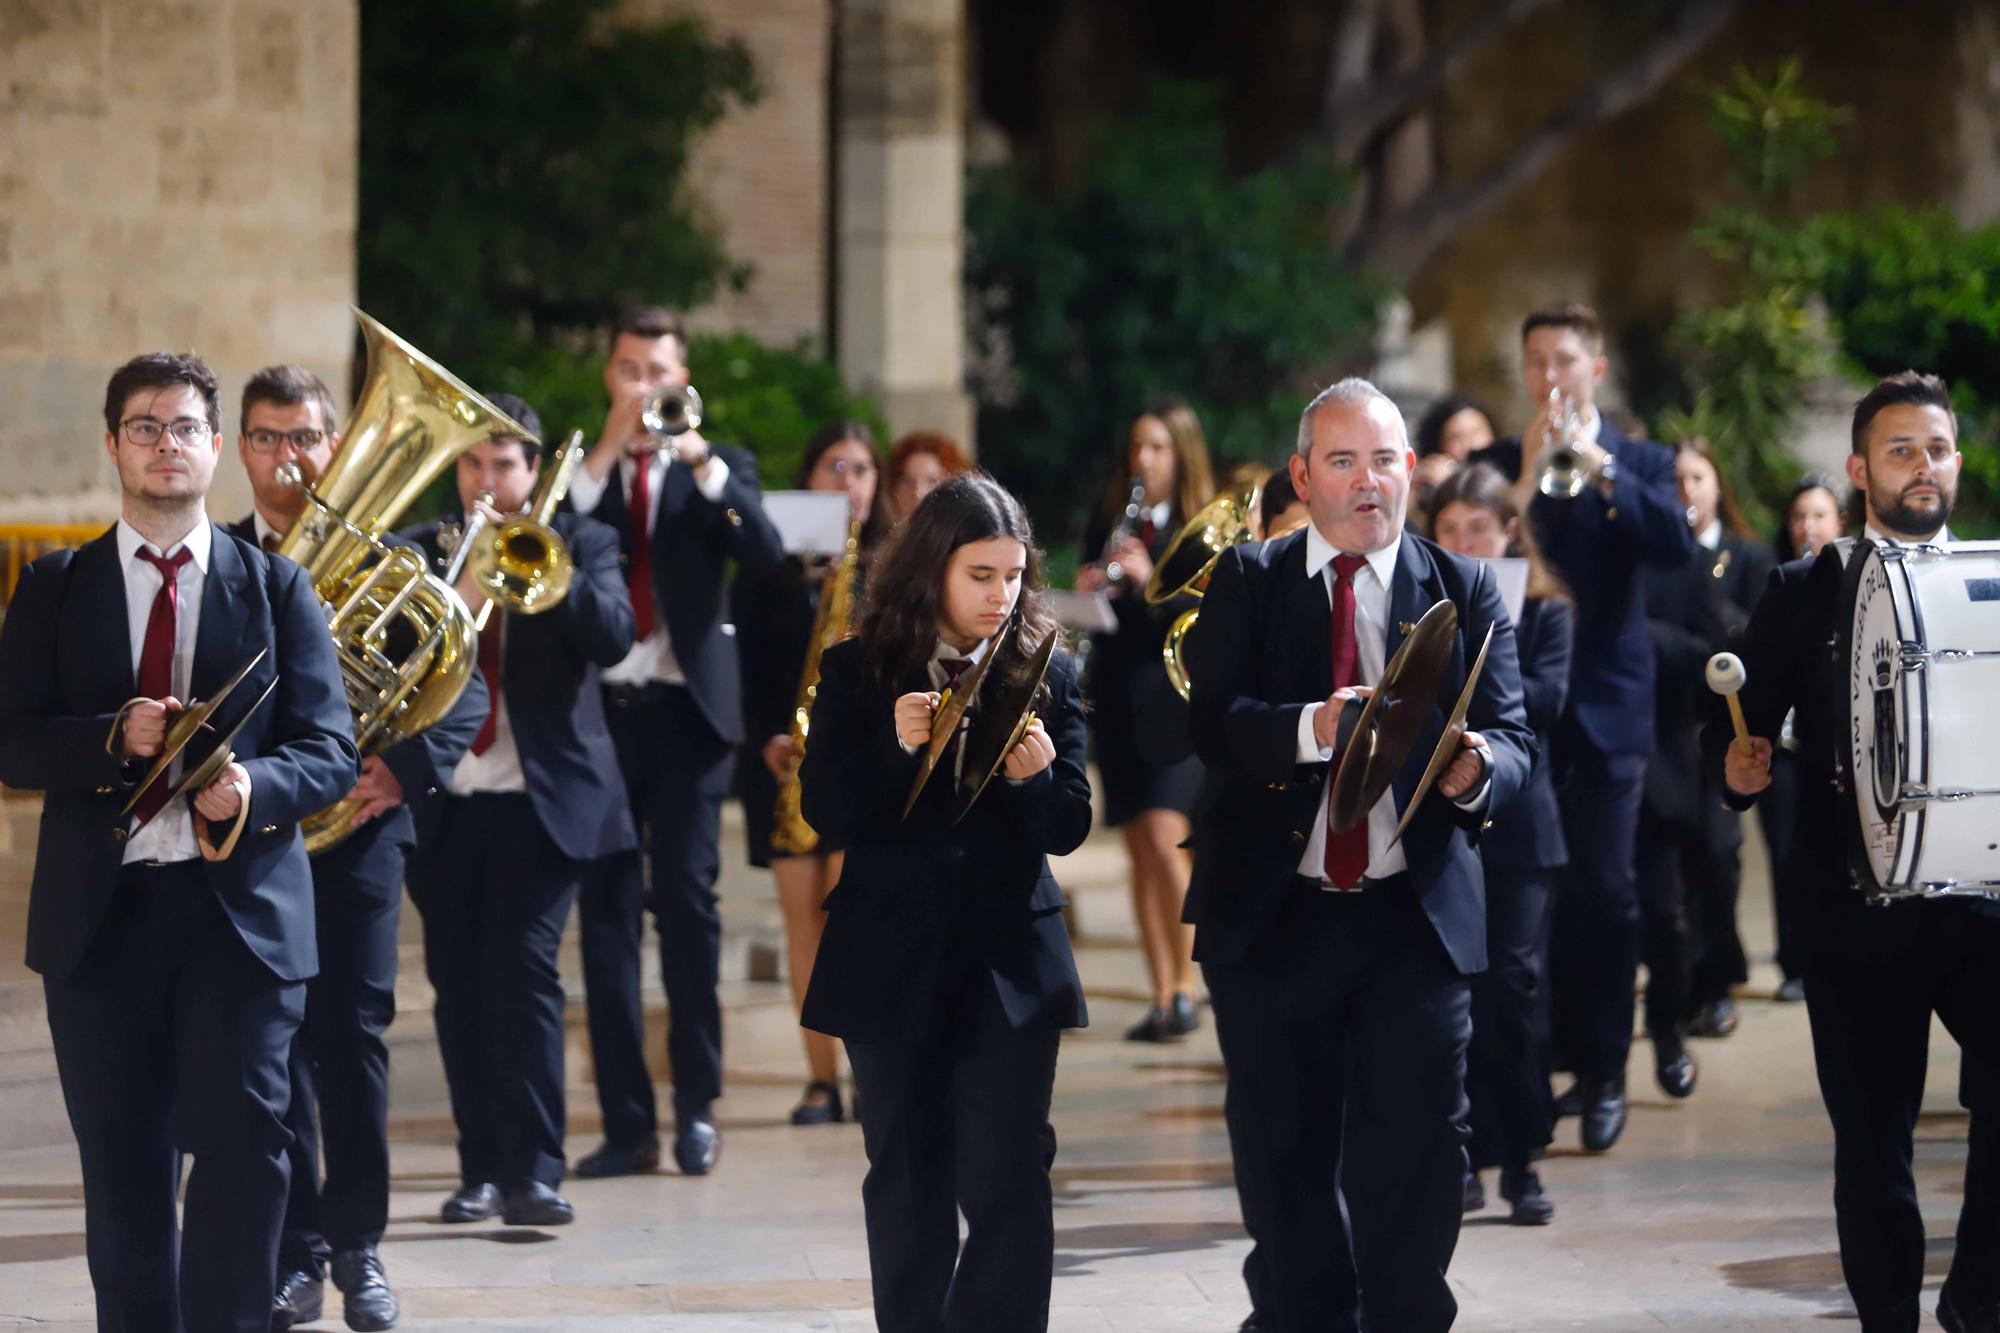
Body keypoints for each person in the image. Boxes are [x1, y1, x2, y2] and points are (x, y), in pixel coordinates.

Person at [0, 352, 358, 1330]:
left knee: (247, 1146)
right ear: (114, 443)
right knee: (122, 1165)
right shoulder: (54, 587)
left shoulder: (278, 587)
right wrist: (108, 737)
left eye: (186, 426)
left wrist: (250, 784)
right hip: (100, 920)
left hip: (237, 922)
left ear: (216, 448)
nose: (167, 443)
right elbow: (10, 739)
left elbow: (330, 749)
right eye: (146, 426)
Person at [1186, 378, 1533, 1332]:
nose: (1367, 481)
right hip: (1275, 917)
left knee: (1418, 1159)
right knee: (1282, 1160)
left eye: (1385, 459)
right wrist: (1310, 726)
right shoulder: (1251, 581)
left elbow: (1517, 739)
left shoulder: (1462, 587)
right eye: (1342, 460)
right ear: (1302, 476)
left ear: (1411, 470)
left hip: (1410, 923)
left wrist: (1480, 772)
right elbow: (1208, 726)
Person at [1709, 371, 2000, 1333]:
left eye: (1937, 448)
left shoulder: (1991, 580)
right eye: (1901, 450)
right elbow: (1742, 726)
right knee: (1873, 1145)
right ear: (1859, 468)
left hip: (1981, 906)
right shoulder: (1804, 589)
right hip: (1852, 905)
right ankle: (1888, 1322)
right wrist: (1739, 764)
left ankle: (1975, 1300)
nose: (1924, 466)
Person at [798, 473, 1092, 1333]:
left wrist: (1038, 780)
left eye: (1012, 575)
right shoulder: (858, 668)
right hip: (890, 956)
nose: (1001, 594)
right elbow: (825, 810)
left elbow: (1070, 824)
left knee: (1009, 1175)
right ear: (932, 571)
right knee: (905, 1173)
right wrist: (894, 747)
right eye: (980, 575)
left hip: (1010, 960)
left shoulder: (1050, 669)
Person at [226, 364, 486, 1331]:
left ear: (334, 446)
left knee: (354, 1043)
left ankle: (361, 1249)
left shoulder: (400, 559)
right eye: (267, 437)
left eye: (305, 438)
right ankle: (295, 1253)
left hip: (361, 837)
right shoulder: (215, 558)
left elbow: (467, 686)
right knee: (274, 1049)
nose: (288, 458)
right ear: (239, 449)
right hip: (256, 840)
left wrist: (402, 772)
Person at [400, 394, 637, 1229]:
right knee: (458, 984)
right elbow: (393, 654)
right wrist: (463, 584)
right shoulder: (420, 549)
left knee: (524, 970)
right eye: (473, 462)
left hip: (543, 800)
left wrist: (543, 572)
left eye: (503, 463)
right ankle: (482, 1171)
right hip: (446, 800)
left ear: (534, 472)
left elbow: (615, 635)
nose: (486, 479)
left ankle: (536, 1169)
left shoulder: (584, 541)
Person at [565, 305, 785, 1178]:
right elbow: (555, 540)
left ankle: (697, 1108)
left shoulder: (717, 465)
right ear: (610, 375)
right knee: (607, 917)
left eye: (657, 371)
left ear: (682, 380)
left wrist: (702, 462)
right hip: (602, 721)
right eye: (628, 369)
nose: (643, 385)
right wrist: (610, 447)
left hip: (691, 717)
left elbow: (765, 553)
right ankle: (626, 1124)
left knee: (689, 911)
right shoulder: (590, 470)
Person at [1472, 302, 1695, 1153]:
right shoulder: (1499, 461)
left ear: (1595, 368)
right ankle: (1547, 1069)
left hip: (1607, 701)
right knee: (1535, 897)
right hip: (1523, 700)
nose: (1549, 376)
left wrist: (1601, 466)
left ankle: (1608, 1070)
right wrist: (1525, 481)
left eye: (1564, 359)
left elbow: (1676, 544)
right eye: (1535, 361)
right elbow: (1479, 572)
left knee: (1607, 889)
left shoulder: (1641, 459)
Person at [733, 421, 891, 1124]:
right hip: (787, 763)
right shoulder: (770, 568)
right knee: (803, 925)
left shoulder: (894, 567)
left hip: (863, 766)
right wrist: (765, 733)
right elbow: (746, 662)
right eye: (834, 466)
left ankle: (868, 1072)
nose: (849, 481)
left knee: (851, 919)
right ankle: (820, 1080)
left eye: (861, 468)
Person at [1430, 463, 1573, 1227]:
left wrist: (1495, 644)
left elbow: (1546, 702)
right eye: (1448, 531)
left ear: (1507, 532)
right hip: (1446, 825)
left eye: (1477, 530)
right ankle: (1461, 1158)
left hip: (1520, 828)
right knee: (1453, 994)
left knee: (1513, 994)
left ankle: (1523, 1158)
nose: (1462, 544)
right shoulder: (1421, 607)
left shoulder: (1544, 609)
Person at [1075, 399, 1215, 1040]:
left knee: (1165, 836)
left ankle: (1192, 983)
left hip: (1174, 701)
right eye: (1137, 447)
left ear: (1181, 455)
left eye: (1157, 448)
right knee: (1136, 844)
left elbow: (1205, 615)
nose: (1143, 460)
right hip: (1119, 698)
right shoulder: (1109, 521)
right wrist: (1087, 592)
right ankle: (1163, 991)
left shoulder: (1201, 528)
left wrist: (1149, 577)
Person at [1674, 439, 1775, 1040]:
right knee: (1674, 870)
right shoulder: (1656, 557)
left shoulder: (1746, 555)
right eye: (1677, 479)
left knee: (1718, 857)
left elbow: (1757, 633)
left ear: (1716, 484)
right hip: (1667, 730)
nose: (1687, 489)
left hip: (1725, 733)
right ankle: (1687, 987)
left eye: (1697, 477)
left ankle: (1719, 980)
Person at [1765, 474, 1847, 1000]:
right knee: (1784, 850)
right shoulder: (1779, 584)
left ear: (1840, 521)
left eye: (1818, 515)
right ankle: (1793, 962)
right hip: (1783, 746)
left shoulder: (1857, 582)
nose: (1807, 526)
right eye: (1799, 517)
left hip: (1833, 745)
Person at [1412, 395, 1495, 526]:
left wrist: (1449, 487)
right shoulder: (1429, 486)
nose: (1470, 444)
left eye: (1476, 432)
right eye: (1456, 437)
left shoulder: (1511, 475)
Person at [884, 430, 974, 524]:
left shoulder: (975, 537)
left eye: (932, 481)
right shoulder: (879, 536)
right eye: (907, 482)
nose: (918, 492)